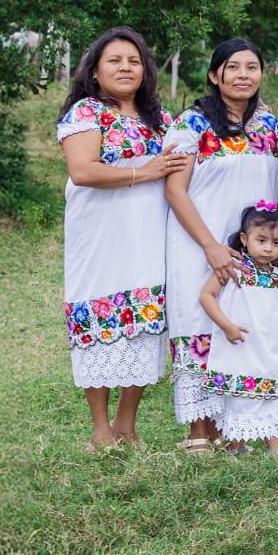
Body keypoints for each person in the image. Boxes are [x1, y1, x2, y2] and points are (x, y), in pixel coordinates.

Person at [58, 26, 188, 450]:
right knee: (96, 322)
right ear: (95, 71)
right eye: (114, 60)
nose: (125, 67)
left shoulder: (161, 119)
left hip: (149, 236)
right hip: (99, 237)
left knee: (145, 323)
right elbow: (84, 170)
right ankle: (99, 430)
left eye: (134, 60)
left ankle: (126, 424)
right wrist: (144, 172)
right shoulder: (86, 113)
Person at [163, 38, 278, 454]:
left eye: (252, 67)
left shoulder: (270, 126)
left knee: (241, 329)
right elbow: (175, 191)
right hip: (199, 241)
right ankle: (199, 431)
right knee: (199, 324)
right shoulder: (191, 124)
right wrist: (211, 245)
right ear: (215, 75)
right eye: (234, 67)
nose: (244, 75)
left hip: (253, 250)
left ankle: (235, 430)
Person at [199, 203, 278, 453]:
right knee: (241, 398)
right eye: (262, 240)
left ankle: (275, 450)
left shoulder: (276, 273)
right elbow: (206, 296)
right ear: (245, 239)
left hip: (270, 346)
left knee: (271, 395)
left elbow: (269, 305)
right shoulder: (237, 268)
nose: (268, 248)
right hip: (243, 344)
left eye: (276, 243)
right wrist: (226, 326)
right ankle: (237, 445)